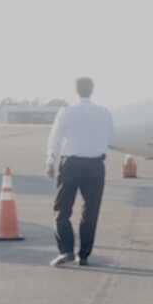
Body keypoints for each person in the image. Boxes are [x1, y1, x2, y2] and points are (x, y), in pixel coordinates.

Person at [46, 77, 114, 267]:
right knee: (91, 210)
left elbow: (56, 138)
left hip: (71, 165)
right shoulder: (104, 112)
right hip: (96, 165)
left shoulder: (66, 112)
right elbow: (111, 137)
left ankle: (66, 251)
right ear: (92, 90)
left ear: (76, 90)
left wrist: (50, 161)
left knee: (62, 209)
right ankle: (83, 255)